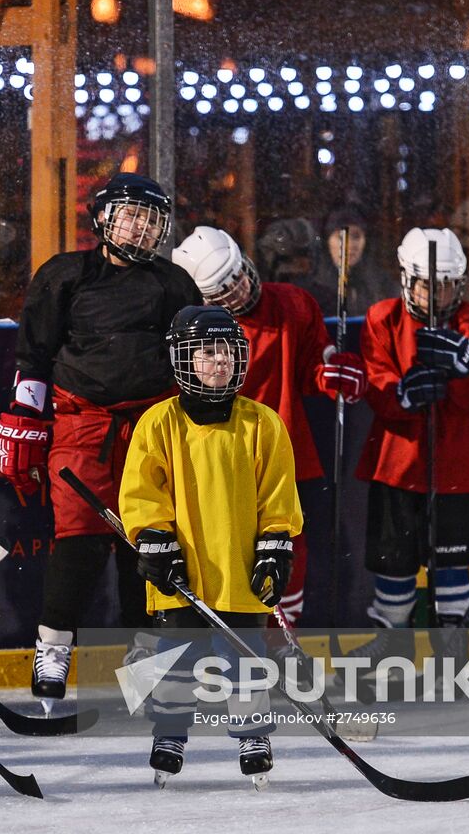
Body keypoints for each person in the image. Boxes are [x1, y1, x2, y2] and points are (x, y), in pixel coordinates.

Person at [0, 172, 200, 712]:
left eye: (151, 220)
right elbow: (34, 353)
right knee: (79, 539)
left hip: (153, 429)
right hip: (81, 424)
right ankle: (53, 647)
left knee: (149, 545)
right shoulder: (66, 274)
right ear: (103, 218)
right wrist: (24, 415)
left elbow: (192, 361)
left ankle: (146, 658)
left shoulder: (175, 283)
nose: (142, 227)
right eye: (132, 215)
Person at [120, 305, 302, 787]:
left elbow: (277, 497)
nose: (219, 361)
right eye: (207, 352)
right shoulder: (158, 423)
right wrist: (154, 538)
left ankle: (253, 737)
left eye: (227, 351)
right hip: (182, 574)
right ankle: (169, 734)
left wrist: (274, 547)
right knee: (177, 661)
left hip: (239, 572)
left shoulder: (263, 423)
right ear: (182, 359)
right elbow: (141, 493)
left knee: (245, 661)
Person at [171, 226, 366, 633]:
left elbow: (314, 365)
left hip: (287, 448)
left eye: (239, 276)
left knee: (288, 543)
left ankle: (282, 633)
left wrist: (334, 375)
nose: (239, 290)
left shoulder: (293, 302)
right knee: (230, 546)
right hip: (225, 454)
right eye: (224, 290)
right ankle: (237, 632)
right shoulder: (197, 333)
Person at [346, 228, 469, 665]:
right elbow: (377, 383)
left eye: (448, 285)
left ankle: (451, 646)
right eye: (429, 285)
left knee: (450, 562)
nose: (439, 294)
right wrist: (404, 395)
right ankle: (393, 642)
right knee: (393, 561)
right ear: (407, 279)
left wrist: (463, 376)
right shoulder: (383, 317)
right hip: (396, 463)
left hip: (454, 467)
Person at [313, 205, 397, 316]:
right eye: (341, 237)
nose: (349, 245)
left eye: (356, 236)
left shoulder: (383, 285)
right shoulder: (313, 288)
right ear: (327, 242)